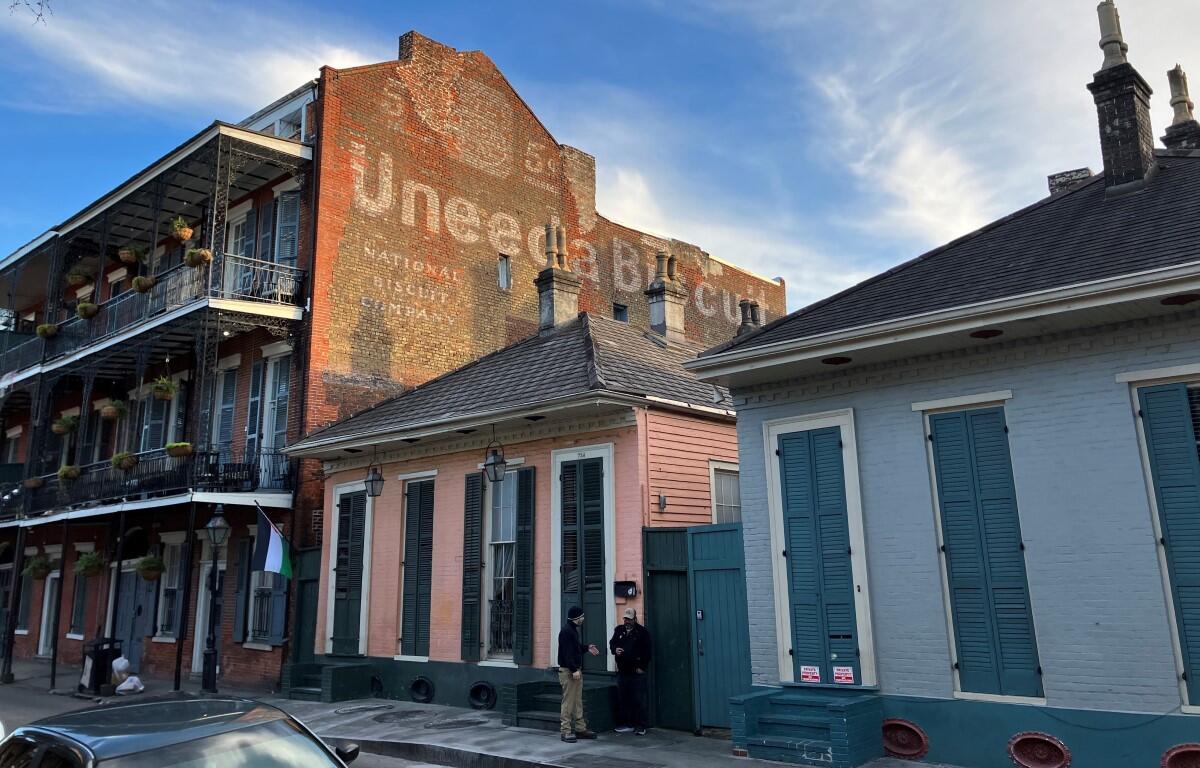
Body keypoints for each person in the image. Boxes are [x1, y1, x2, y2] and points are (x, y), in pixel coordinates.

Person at [557, 605, 600, 743]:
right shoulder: (566, 632)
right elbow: (567, 653)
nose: (583, 618)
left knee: (577, 702)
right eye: (582, 616)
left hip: (574, 670)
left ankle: (581, 729)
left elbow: (575, 649)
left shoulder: (572, 631)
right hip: (569, 671)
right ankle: (565, 731)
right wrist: (574, 669)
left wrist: (587, 648)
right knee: (568, 702)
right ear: (577, 618)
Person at [609, 607, 652, 735]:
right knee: (624, 698)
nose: (627, 621)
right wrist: (615, 649)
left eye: (629, 619)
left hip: (636, 671)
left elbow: (647, 651)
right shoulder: (619, 630)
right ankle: (628, 724)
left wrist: (642, 667)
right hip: (622, 670)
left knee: (638, 699)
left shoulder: (642, 632)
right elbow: (612, 643)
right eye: (625, 619)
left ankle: (641, 725)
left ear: (634, 619)